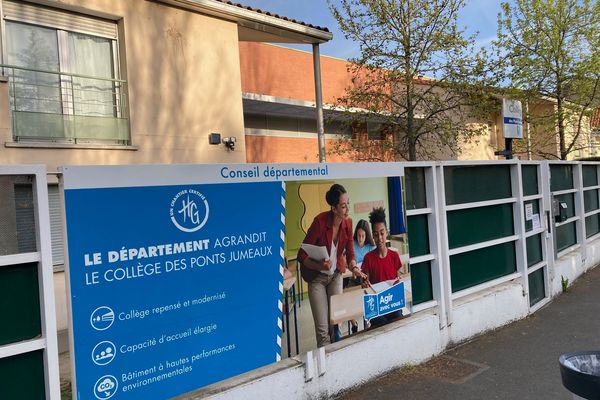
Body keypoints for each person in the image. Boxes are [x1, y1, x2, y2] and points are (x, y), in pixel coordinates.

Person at [297, 183, 367, 347]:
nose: (347, 209)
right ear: (334, 208)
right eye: (343, 206)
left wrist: (355, 267)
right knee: (323, 332)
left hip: (335, 275)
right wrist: (319, 265)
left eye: (348, 203)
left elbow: (350, 254)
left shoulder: (348, 224)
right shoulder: (320, 223)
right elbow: (302, 254)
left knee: (336, 324)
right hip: (317, 279)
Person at [361, 207, 403, 327]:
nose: (379, 238)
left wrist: (398, 282)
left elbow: (397, 278)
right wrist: (364, 283)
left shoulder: (394, 256)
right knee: (381, 324)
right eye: (375, 234)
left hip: (392, 303)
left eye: (382, 233)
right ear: (372, 237)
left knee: (399, 321)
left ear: (387, 233)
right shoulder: (368, 258)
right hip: (377, 307)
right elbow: (364, 284)